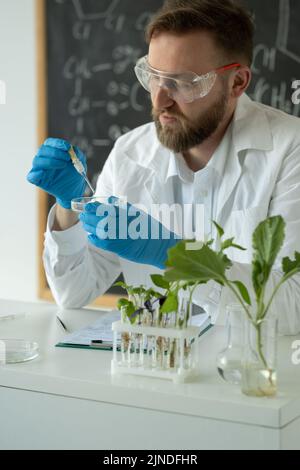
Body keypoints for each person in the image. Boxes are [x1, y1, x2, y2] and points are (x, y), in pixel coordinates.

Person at [27, 0, 300, 334]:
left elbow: (293, 303)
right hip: (154, 370)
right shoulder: (130, 154)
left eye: (184, 82)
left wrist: (174, 255)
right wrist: (71, 208)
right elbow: (72, 293)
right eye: (154, 76)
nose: (159, 100)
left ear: (238, 82)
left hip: (250, 373)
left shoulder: (290, 150)